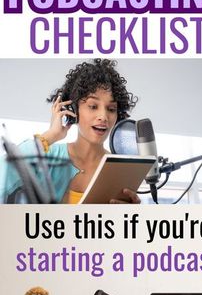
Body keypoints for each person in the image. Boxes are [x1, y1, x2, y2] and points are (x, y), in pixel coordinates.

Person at [1, 59, 140, 204]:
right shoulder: (48, 156)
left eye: (111, 109)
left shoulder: (119, 170)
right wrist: (50, 136)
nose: (103, 117)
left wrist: (129, 217)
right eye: (93, 106)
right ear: (73, 109)